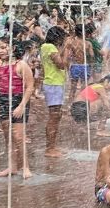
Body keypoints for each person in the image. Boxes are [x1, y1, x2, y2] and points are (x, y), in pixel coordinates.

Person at [0, 40, 34, 179]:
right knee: (8, 136)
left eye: (3, 47)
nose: (0, 50)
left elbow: (30, 86)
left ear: (12, 48)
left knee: (18, 136)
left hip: (18, 100)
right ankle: (12, 166)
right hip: (4, 100)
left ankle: (26, 167)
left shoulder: (21, 64)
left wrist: (22, 105)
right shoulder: (0, 65)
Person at [41, 26, 69, 157]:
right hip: (53, 84)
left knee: (56, 116)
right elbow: (61, 64)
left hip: (54, 83)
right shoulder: (50, 47)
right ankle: (50, 148)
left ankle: (52, 146)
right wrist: (66, 50)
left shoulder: (45, 46)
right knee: (54, 117)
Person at [65, 24, 95, 103]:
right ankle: (82, 103)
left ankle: (70, 104)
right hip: (85, 66)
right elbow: (92, 56)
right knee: (84, 87)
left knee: (73, 88)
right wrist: (91, 66)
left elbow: (68, 57)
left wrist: (68, 68)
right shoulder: (88, 43)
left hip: (75, 66)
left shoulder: (72, 43)